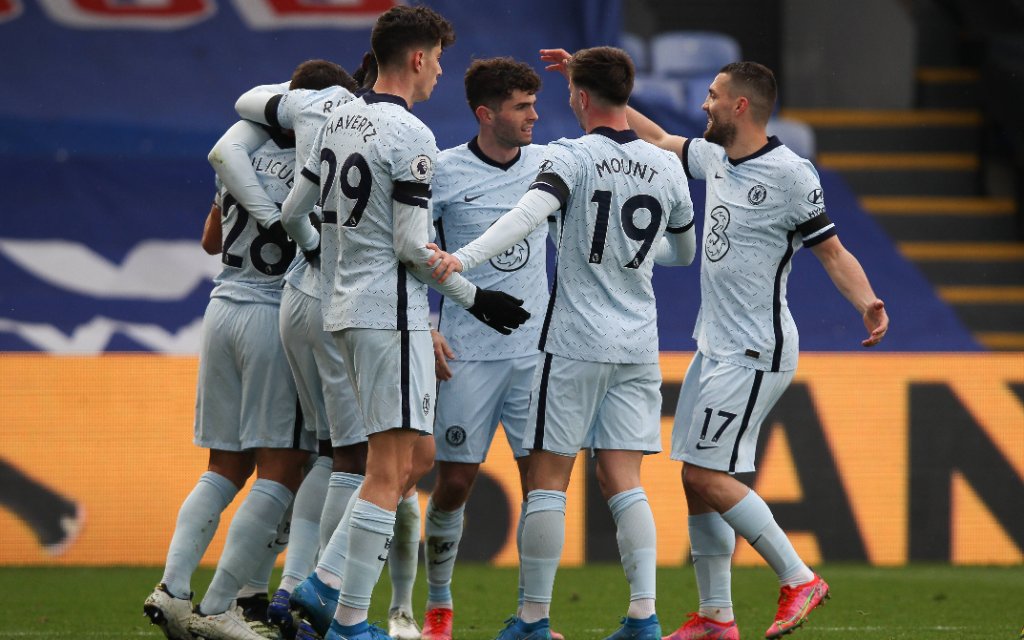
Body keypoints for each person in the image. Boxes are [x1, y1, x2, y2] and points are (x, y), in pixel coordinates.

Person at [595, 54, 888, 640]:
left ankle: (798, 576)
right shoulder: (717, 159)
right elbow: (654, 137)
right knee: (694, 478)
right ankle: (715, 616)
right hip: (716, 346)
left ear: (741, 105)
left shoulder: (790, 173)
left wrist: (867, 301)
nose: (703, 103)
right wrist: (598, 92)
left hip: (756, 349)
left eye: (712, 94)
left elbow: (830, 249)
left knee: (707, 475)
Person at [277, 7, 530, 640]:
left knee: (414, 457)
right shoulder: (411, 136)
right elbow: (415, 248)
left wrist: (332, 258)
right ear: (417, 59)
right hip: (390, 317)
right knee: (386, 473)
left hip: (341, 312)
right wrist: (478, 298)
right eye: (439, 58)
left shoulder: (336, 120)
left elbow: (291, 211)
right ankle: (349, 617)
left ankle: (327, 583)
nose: (442, 70)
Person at [427, 46, 696, 640]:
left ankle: (531, 620)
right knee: (626, 481)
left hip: (571, 341)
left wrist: (461, 260)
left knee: (548, 480)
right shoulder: (665, 167)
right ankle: (645, 617)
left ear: (578, 97)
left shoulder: (569, 157)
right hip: (638, 341)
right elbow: (683, 254)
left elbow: (526, 217)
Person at [143, 115, 307, 640]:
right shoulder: (316, 165)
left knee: (223, 466)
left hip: (222, 309)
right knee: (281, 470)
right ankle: (220, 607)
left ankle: (172, 589)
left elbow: (211, 240)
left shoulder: (241, 160)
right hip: (272, 313)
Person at [420, 56, 562, 640]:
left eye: (535, 103)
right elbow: (412, 252)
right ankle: (438, 606)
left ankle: (535, 617)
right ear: (486, 113)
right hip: (467, 354)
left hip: (535, 355)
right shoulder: (445, 172)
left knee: (543, 485)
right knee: (453, 484)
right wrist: (423, 325)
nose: (535, 115)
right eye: (521, 106)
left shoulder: (551, 165)